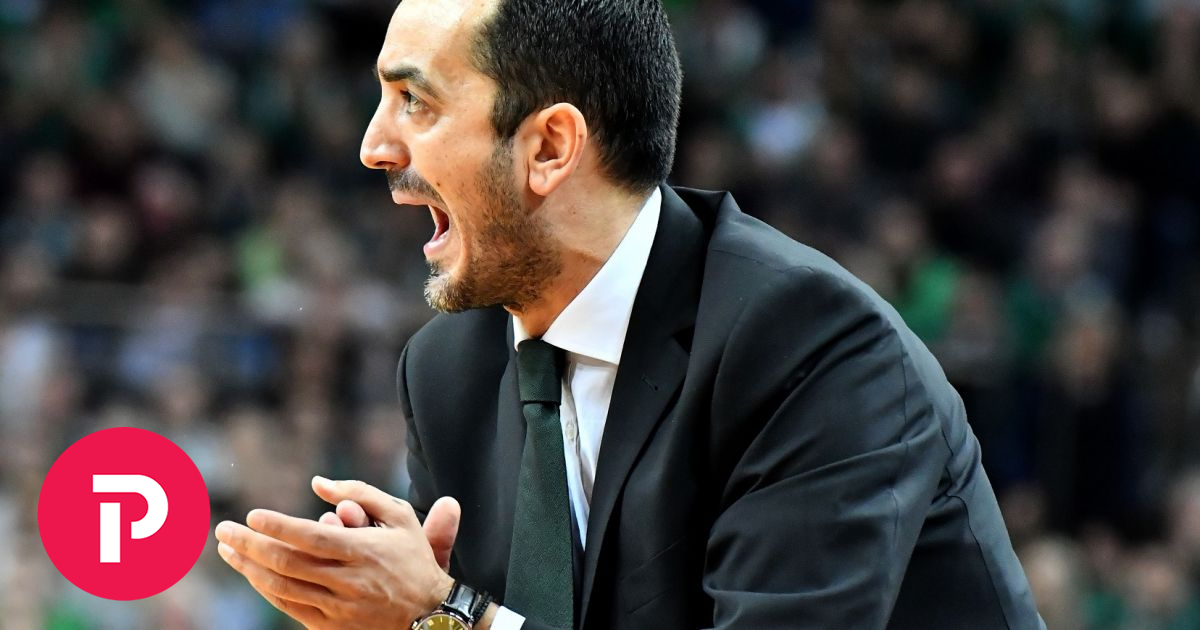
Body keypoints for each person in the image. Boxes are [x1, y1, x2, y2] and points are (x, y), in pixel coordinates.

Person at [215, 0, 1045, 628]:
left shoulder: (811, 344)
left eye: (414, 101)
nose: (374, 146)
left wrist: (443, 615)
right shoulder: (447, 372)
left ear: (549, 147)